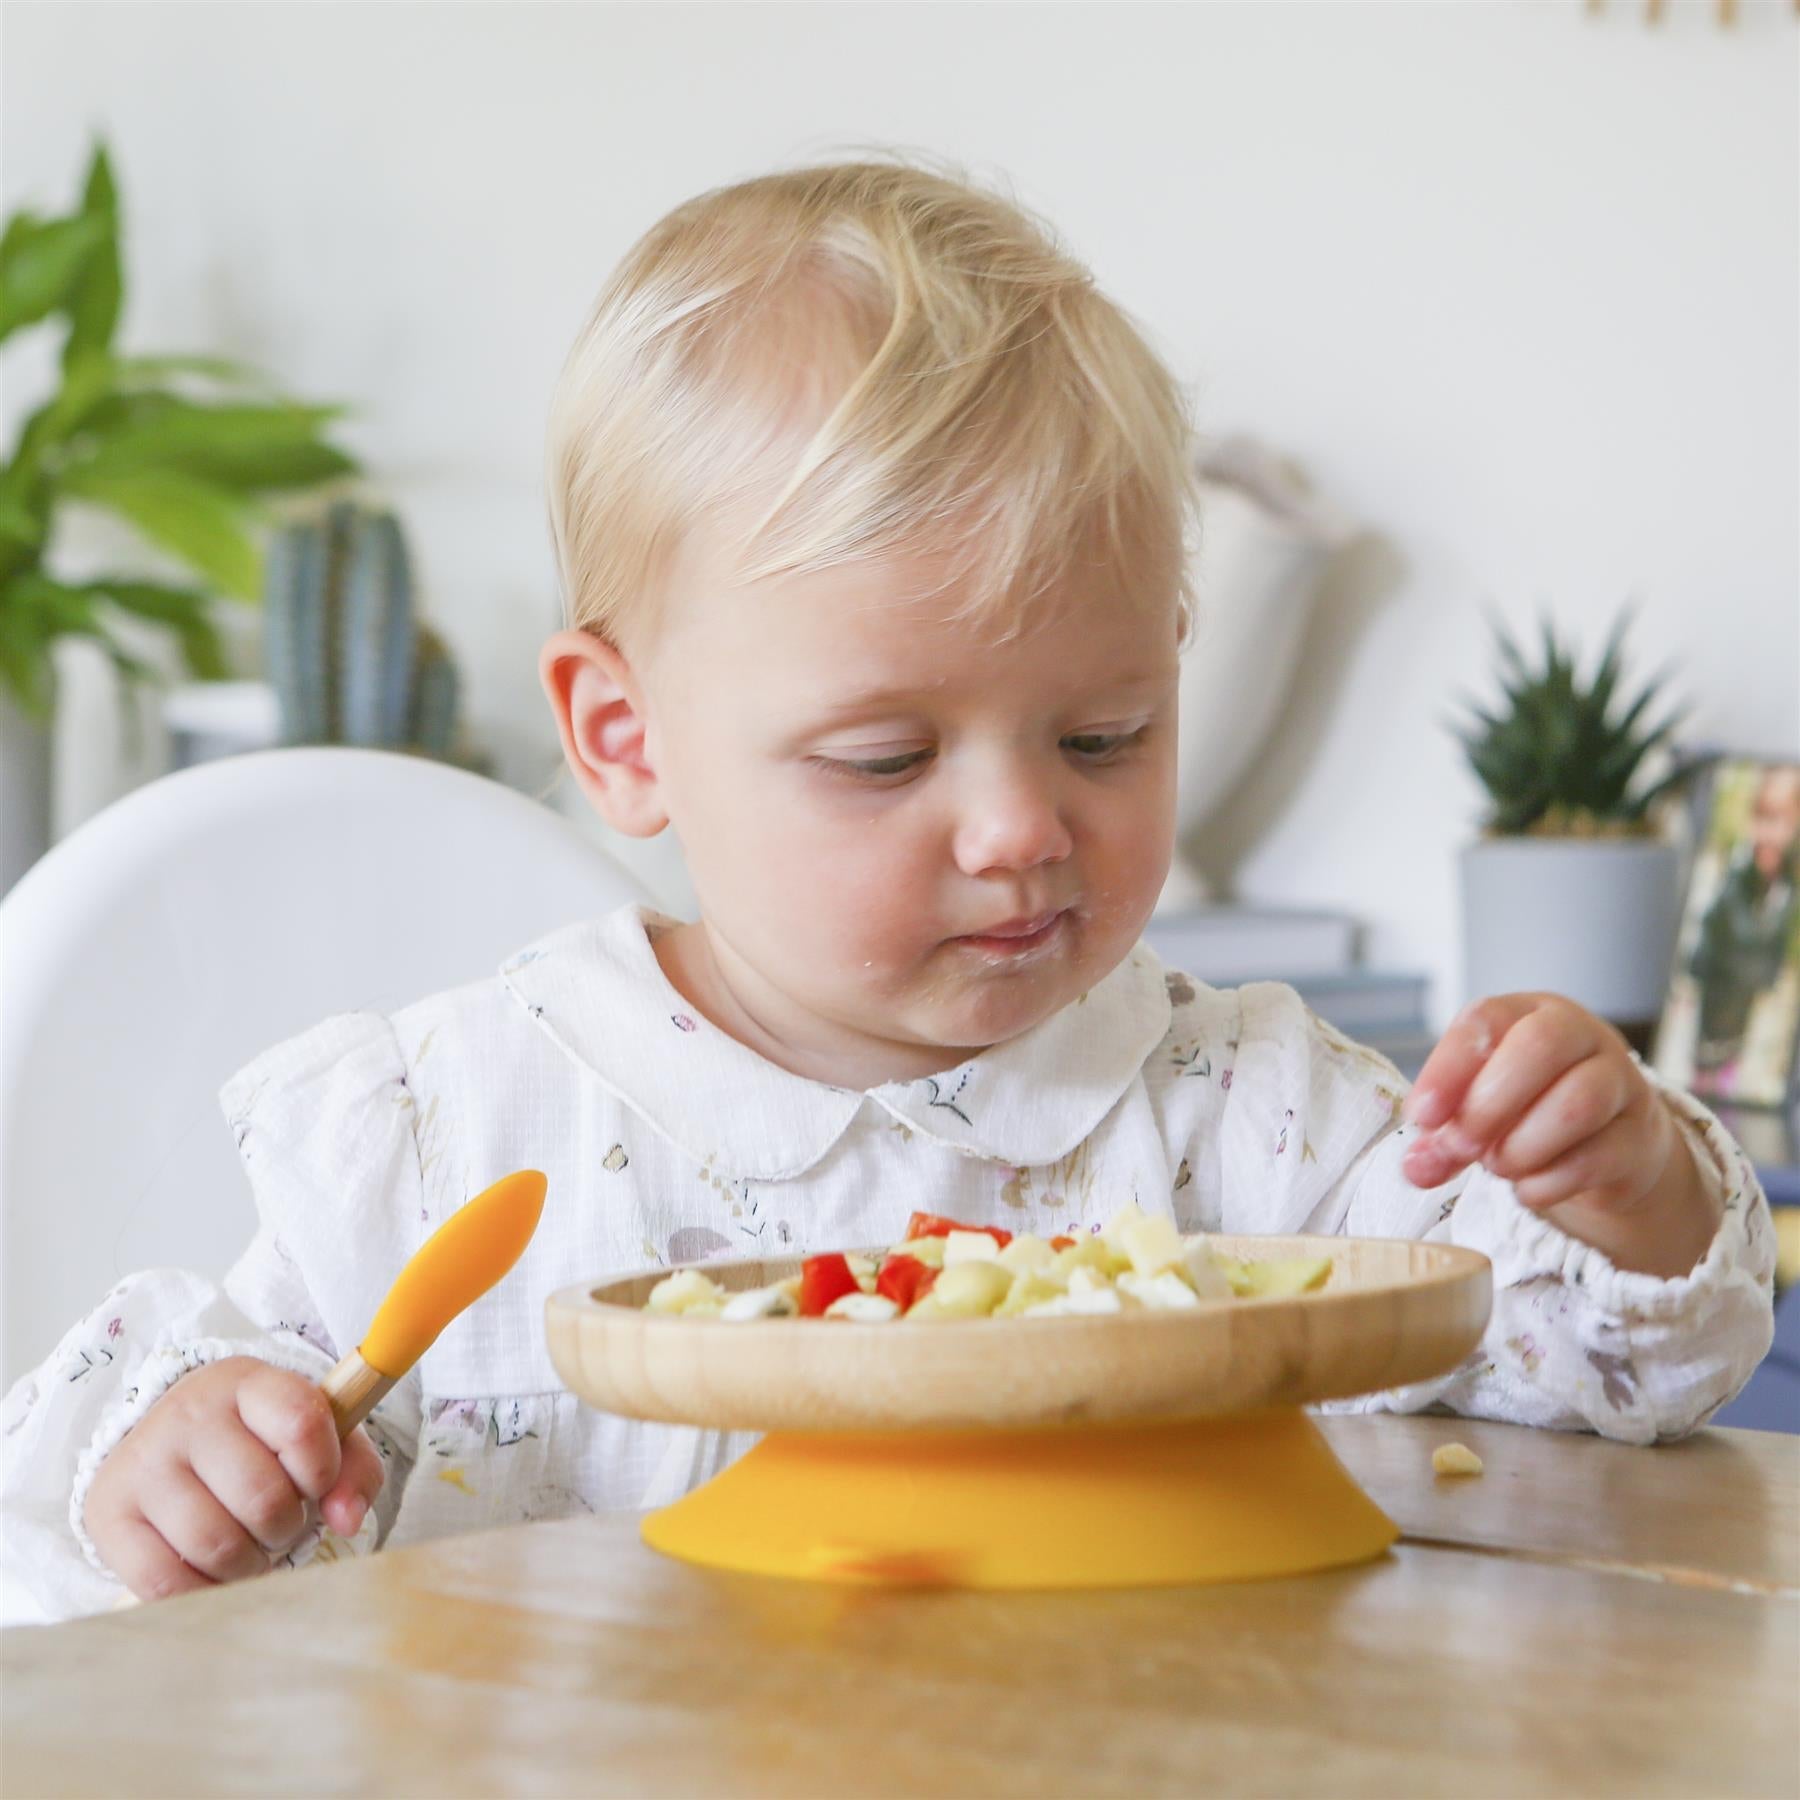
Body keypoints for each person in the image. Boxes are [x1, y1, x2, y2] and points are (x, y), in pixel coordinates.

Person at [1, 156, 1775, 1621]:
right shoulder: (448, 1135)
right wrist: (178, 1453)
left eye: (1102, 735)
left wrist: (1622, 1195)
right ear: (626, 737)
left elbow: (1595, 1388)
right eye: (884, 759)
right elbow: (127, 1444)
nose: (1021, 831)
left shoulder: (1248, 1112)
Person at [1688, 765, 1800, 1090]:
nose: (1769, 832)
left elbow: (1778, 942)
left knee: (1731, 1060)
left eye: (1780, 819)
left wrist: (1771, 975)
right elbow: (1716, 925)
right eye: (1762, 818)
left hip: (1746, 995)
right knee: (1706, 1060)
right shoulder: (1738, 873)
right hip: (1720, 988)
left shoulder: (1787, 884)